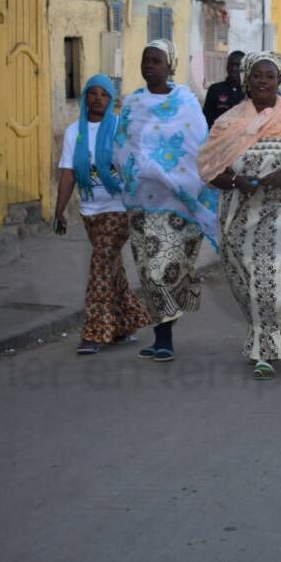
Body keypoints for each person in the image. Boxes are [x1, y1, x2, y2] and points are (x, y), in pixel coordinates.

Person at [198, 51, 281, 378]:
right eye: (257, 75)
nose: (263, 81)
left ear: (279, 81)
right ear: (246, 80)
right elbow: (211, 170)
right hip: (238, 212)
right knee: (246, 282)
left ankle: (264, 351)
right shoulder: (228, 122)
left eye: (270, 76)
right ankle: (272, 326)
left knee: (272, 273)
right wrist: (236, 181)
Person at [113, 40, 219, 362]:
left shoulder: (186, 102)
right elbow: (122, 146)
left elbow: (197, 147)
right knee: (147, 269)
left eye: (156, 61)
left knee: (163, 269)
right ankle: (162, 336)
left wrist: (172, 175)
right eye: (145, 60)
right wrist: (137, 168)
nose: (149, 66)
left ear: (169, 65)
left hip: (177, 201)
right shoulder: (132, 103)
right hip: (141, 201)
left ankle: (166, 336)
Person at [55, 74, 152, 355]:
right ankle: (126, 322)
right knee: (111, 267)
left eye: (104, 94)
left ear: (111, 100)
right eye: (92, 93)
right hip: (89, 211)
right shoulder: (75, 131)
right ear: (85, 97)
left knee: (99, 265)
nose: (98, 98)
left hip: (119, 209)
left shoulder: (120, 128)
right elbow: (68, 174)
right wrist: (59, 212)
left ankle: (94, 332)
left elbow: (136, 166)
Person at [202, 50, 246, 126]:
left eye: (238, 65)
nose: (233, 68)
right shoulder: (214, 89)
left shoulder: (249, 92)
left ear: (244, 68)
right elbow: (206, 119)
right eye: (230, 64)